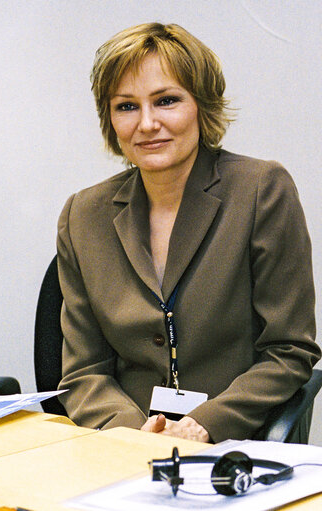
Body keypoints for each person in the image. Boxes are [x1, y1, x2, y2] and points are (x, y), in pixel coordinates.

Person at [57, 22, 321, 443]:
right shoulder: (82, 215)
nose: (146, 123)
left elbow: (289, 351)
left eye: (166, 101)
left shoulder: (261, 190)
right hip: (122, 446)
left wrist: (204, 425)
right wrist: (134, 434)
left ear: (201, 105)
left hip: (232, 444)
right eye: (126, 106)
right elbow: (84, 370)